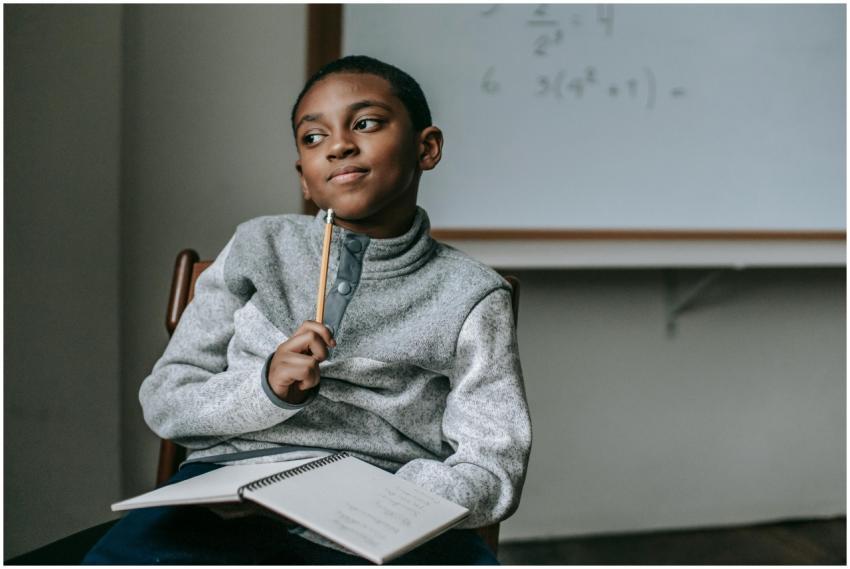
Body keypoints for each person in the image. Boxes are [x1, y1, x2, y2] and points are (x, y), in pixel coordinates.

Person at [84, 54, 532, 565]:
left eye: (366, 123)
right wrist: (266, 390)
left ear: (426, 148)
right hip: (230, 494)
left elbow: (493, 465)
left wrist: (405, 499)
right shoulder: (257, 246)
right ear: (304, 177)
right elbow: (167, 401)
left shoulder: (471, 293)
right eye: (313, 137)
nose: (338, 146)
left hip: (388, 502)